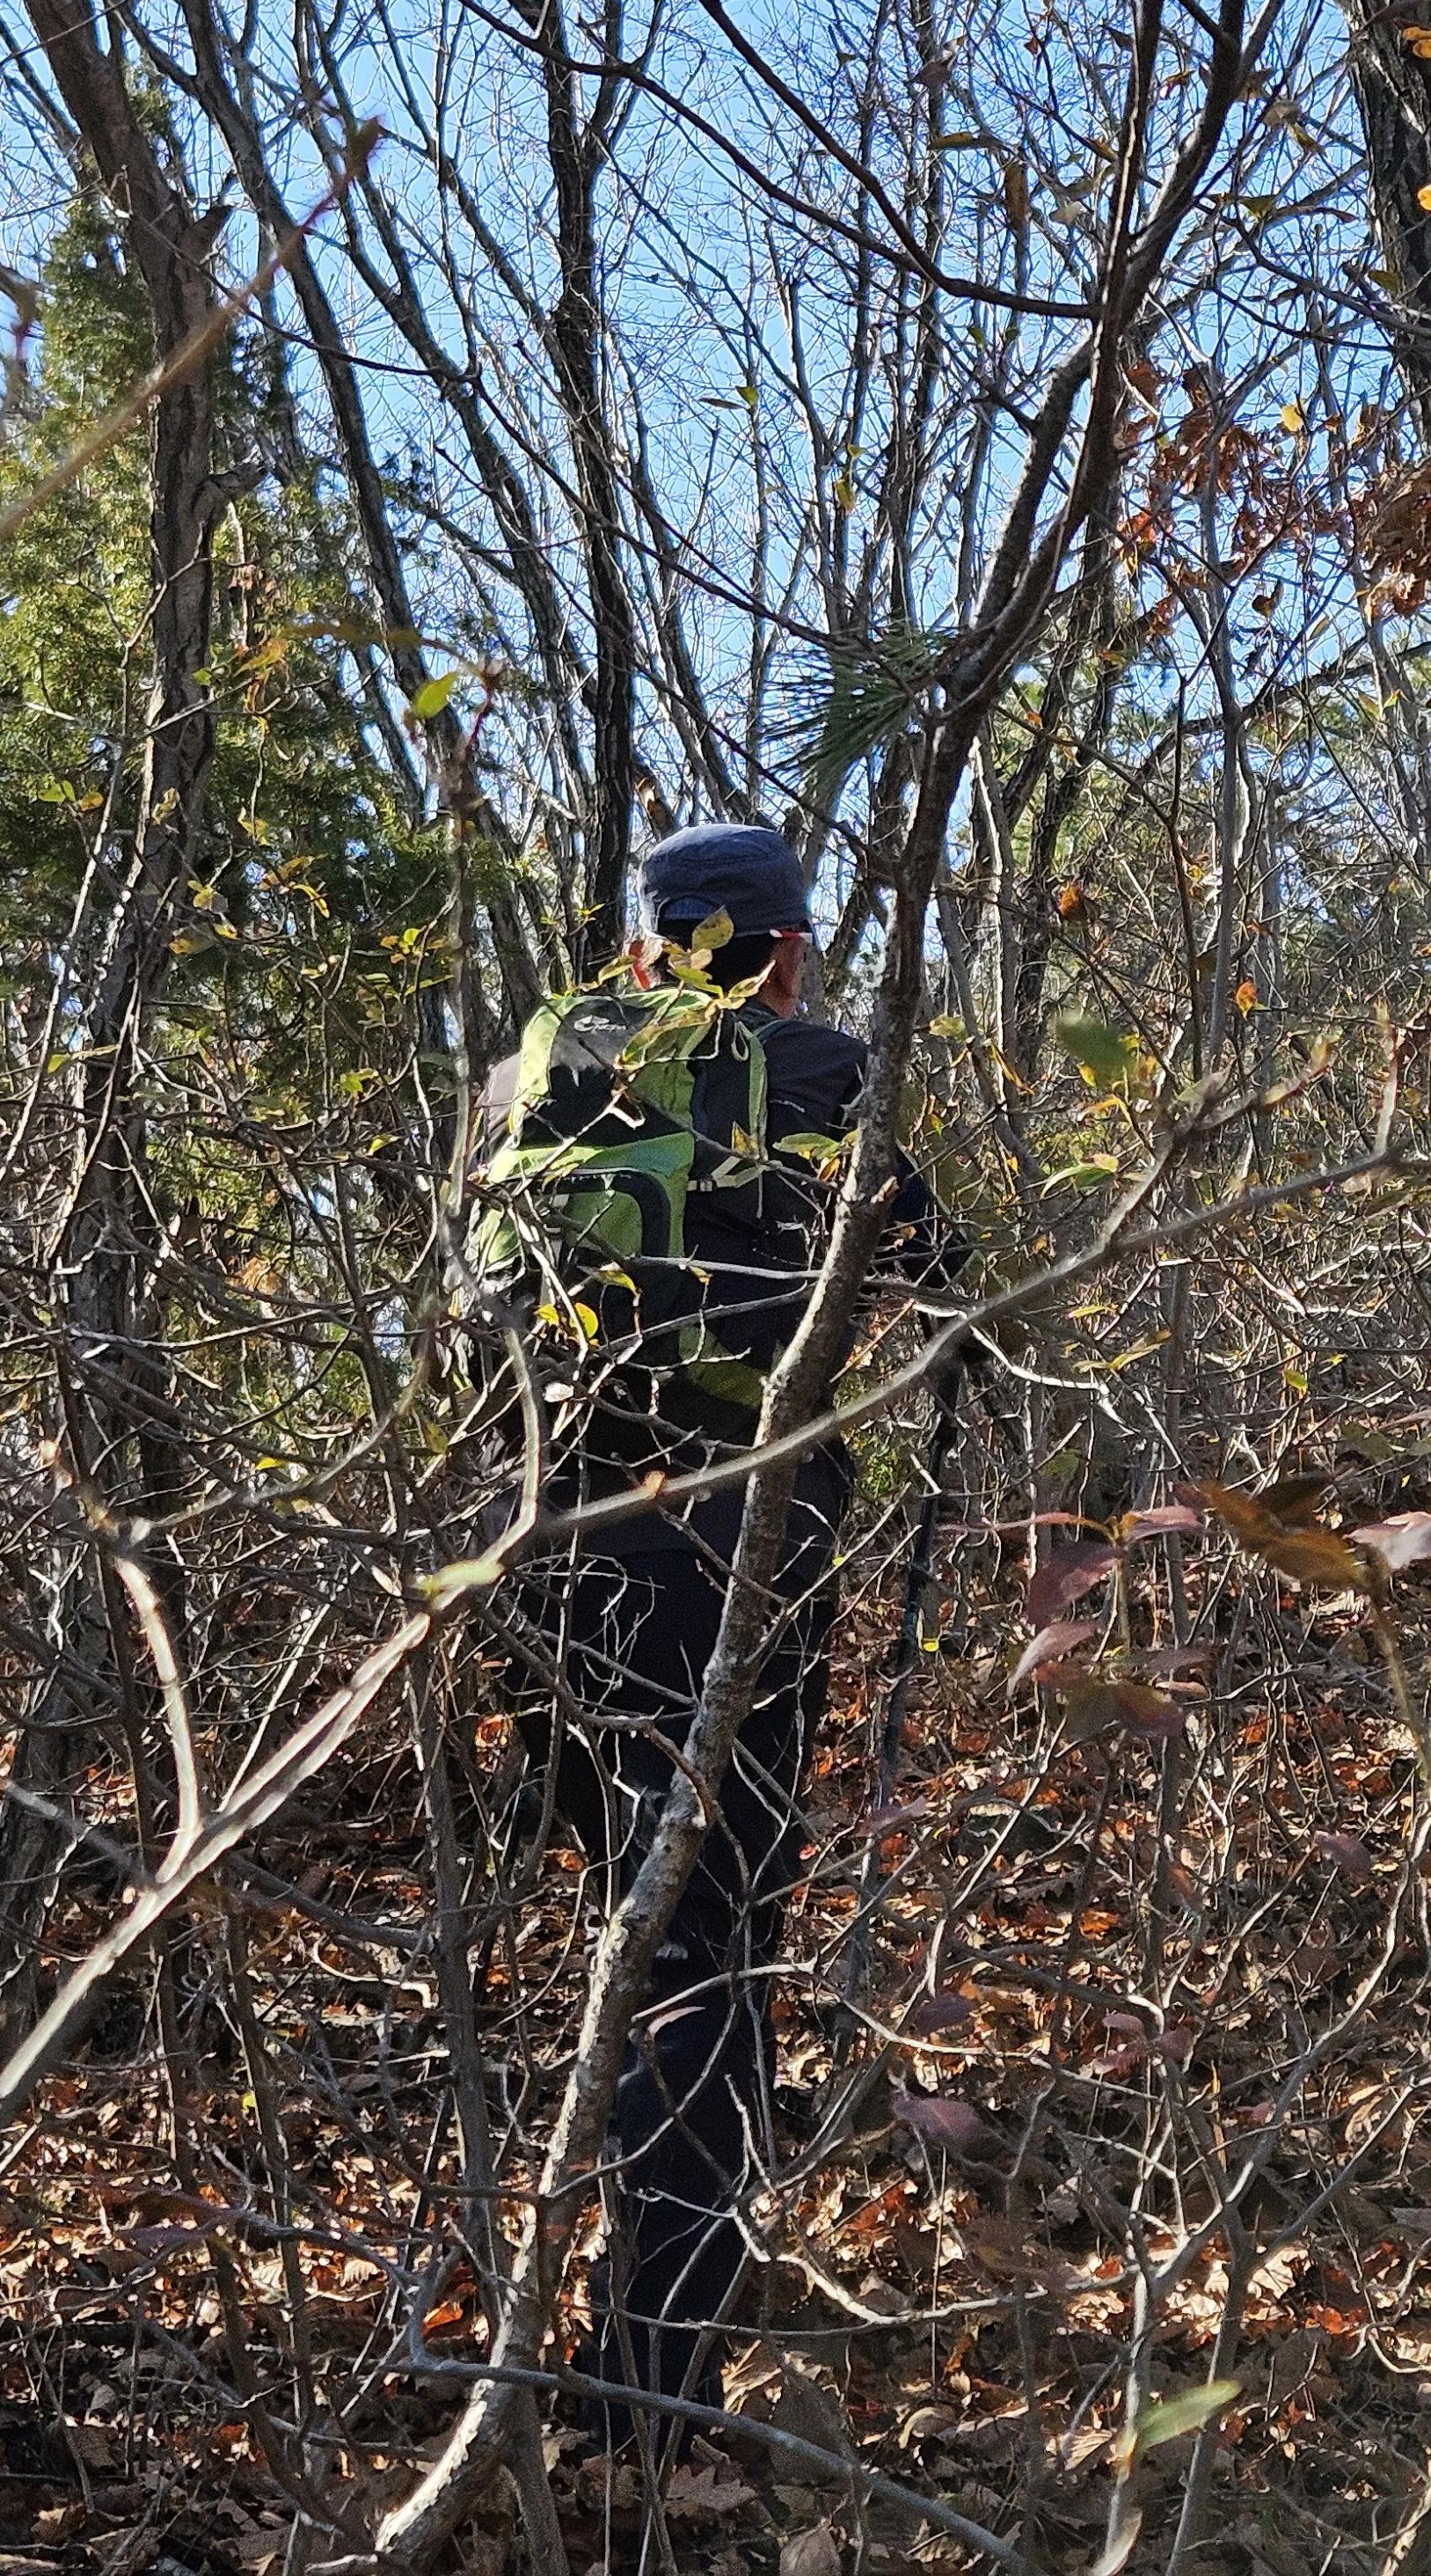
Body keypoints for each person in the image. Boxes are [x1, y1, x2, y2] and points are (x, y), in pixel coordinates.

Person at [479, 823, 959, 2435]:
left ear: (648, 949)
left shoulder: (539, 1069)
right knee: (705, 1933)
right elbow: (948, 1288)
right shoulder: (827, 1074)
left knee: (628, 1899)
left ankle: (602, 2295)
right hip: (736, 1553)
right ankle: (656, 2380)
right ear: (789, 951)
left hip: (549, 1545)